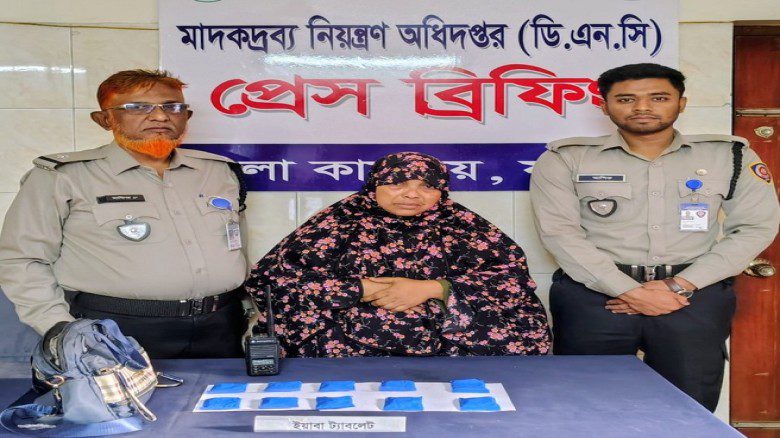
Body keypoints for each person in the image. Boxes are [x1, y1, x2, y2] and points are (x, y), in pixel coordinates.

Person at [530, 63, 779, 411]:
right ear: (604, 106)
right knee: (588, 406)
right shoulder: (565, 158)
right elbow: (559, 233)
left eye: (659, 98)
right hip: (595, 298)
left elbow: (755, 227)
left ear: (681, 103)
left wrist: (678, 286)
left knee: (689, 406)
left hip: (693, 295)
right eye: (626, 99)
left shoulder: (730, 155)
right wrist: (629, 291)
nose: (642, 107)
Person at [0, 70, 249, 359]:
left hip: (222, 327)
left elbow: (237, 246)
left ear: (187, 116)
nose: (160, 116)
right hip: (112, 331)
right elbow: (22, 259)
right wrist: (61, 329)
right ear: (104, 119)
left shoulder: (220, 172)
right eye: (138, 107)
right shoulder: (63, 177)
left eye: (173, 107)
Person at [247, 152, 551, 357]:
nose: (412, 194)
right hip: (346, 354)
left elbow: (514, 281)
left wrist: (435, 288)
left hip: (447, 354)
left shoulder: (464, 226)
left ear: (442, 191)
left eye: (427, 186)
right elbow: (271, 282)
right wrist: (359, 289)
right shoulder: (338, 223)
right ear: (375, 185)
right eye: (397, 183)